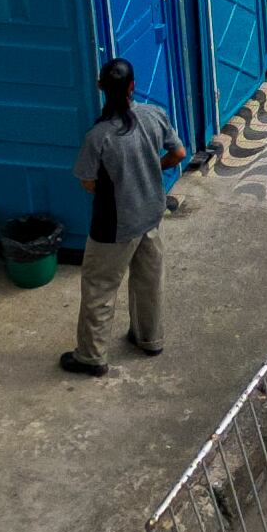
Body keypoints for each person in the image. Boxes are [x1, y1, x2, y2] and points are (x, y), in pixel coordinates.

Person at [61, 58, 182, 377]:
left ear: (101, 88)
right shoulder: (154, 115)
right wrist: (152, 169)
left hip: (114, 227)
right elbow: (178, 154)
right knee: (150, 279)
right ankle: (150, 339)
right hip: (152, 215)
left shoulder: (98, 136)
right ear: (132, 87)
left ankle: (91, 357)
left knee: (99, 288)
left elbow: (88, 182)